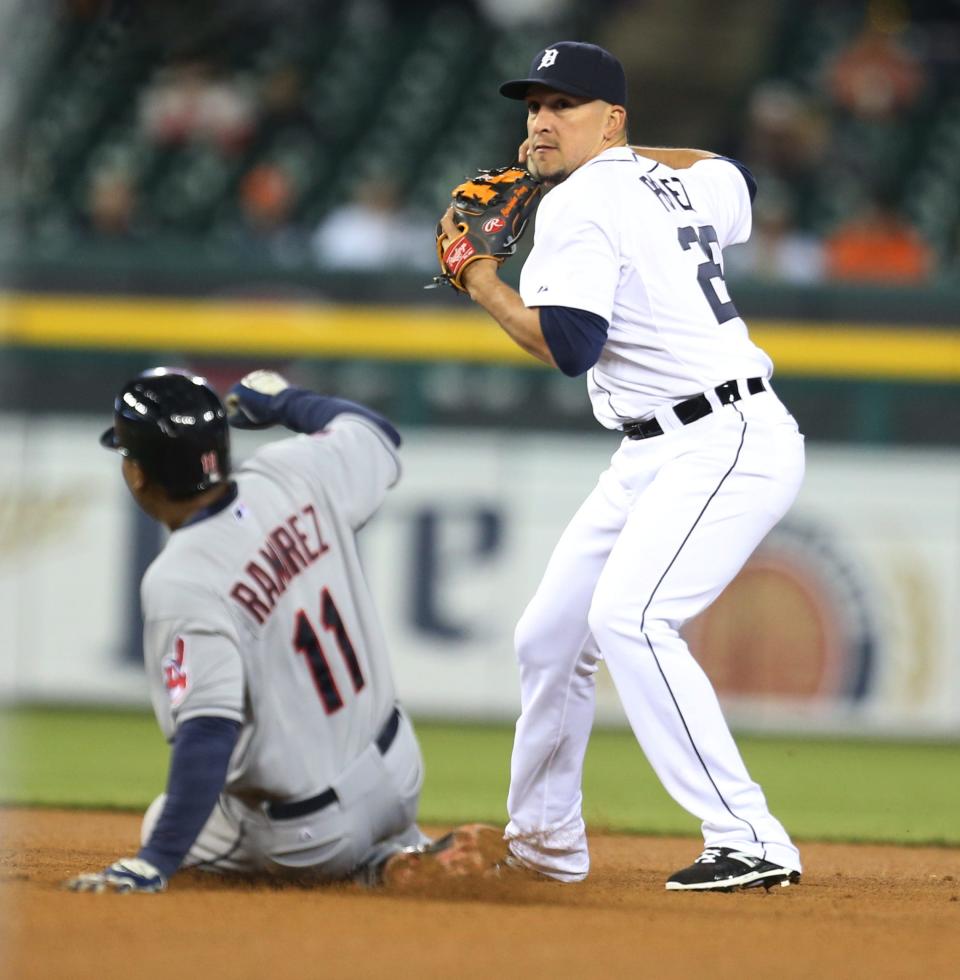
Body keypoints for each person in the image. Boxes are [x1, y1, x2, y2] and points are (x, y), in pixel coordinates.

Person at [438, 41, 806, 892]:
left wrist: (478, 278)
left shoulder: (580, 207)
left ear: (612, 120)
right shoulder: (667, 180)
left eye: (563, 106)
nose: (539, 122)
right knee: (549, 636)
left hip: (724, 437)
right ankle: (543, 841)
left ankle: (750, 836)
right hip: (658, 447)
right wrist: (637, 156)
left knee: (634, 618)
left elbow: (568, 346)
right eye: (533, 106)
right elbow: (735, 175)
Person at [66, 367, 430, 892]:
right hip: (401, 769)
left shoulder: (182, 576)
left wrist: (154, 860)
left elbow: (209, 730)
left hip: (314, 837)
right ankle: (396, 844)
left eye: (126, 455)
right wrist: (285, 402)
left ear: (139, 475)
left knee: (163, 817)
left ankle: (366, 867)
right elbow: (376, 432)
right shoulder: (294, 470)